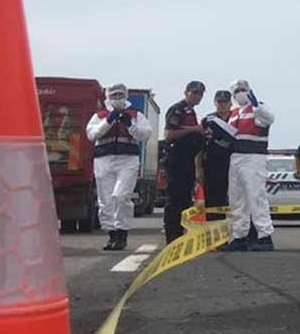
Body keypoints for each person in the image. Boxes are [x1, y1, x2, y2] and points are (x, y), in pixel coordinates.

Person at [85, 84, 150, 251]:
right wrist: (109, 120)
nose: (118, 97)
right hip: (103, 160)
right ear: (108, 97)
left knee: (121, 196)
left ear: (126, 95)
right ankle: (111, 235)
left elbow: (145, 135)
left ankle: (122, 234)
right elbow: (92, 135)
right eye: (114, 95)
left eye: (121, 94)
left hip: (127, 160)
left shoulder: (135, 115)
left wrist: (130, 125)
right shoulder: (100, 116)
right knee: (105, 200)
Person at [221, 80, 276, 252]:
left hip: (254, 157)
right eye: (237, 90)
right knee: (237, 199)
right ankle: (239, 236)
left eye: (243, 89)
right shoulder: (234, 113)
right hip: (236, 157)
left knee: (256, 197)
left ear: (249, 91)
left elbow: (269, 119)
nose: (240, 92)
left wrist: (256, 104)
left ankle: (265, 236)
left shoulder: (259, 108)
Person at [161, 81, 206, 242]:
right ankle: (172, 237)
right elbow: (169, 134)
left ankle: (180, 235)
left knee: (185, 200)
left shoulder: (191, 112)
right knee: (175, 200)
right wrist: (194, 129)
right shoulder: (177, 110)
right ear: (186, 92)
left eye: (200, 93)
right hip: (176, 160)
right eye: (194, 93)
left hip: (187, 161)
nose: (197, 96)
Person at [200, 88, 235, 220]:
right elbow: (200, 145)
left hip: (234, 164)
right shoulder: (208, 120)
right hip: (212, 165)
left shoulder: (236, 118)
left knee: (236, 200)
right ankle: (214, 232)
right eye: (219, 102)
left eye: (225, 102)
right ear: (215, 103)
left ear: (230, 103)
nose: (222, 105)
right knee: (213, 200)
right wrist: (198, 168)